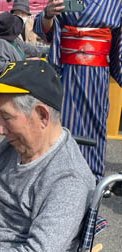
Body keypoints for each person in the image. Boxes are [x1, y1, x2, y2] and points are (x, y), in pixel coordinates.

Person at [0, 60, 96, 251]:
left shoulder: (68, 179)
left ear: (42, 115)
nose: (0, 130)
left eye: (7, 117)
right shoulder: (15, 146)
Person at [32, 0, 122, 180]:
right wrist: (48, 14)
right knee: (59, 124)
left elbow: (119, 45)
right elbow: (44, 31)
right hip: (64, 73)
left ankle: (91, 178)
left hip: (95, 76)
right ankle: (56, 178)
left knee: (94, 124)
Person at [0, 12, 48, 76]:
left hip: (22, 72)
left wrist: (49, 50)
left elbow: (29, 48)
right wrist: (24, 63)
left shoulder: (14, 39)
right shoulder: (1, 43)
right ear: (12, 29)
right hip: (14, 77)